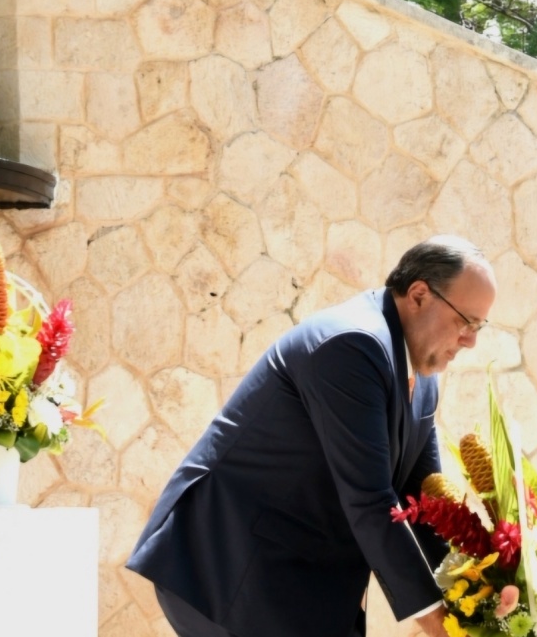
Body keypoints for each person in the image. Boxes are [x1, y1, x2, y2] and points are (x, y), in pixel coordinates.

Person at [127, 235, 497, 637]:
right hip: (228, 566)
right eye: (466, 321)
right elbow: (372, 501)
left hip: (300, 581)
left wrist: (474, 600)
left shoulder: (421, 376)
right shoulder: (353, 345)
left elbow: (423, 505)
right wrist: (442, 626)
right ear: (419, 294)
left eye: (480, 326)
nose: (471, 340)